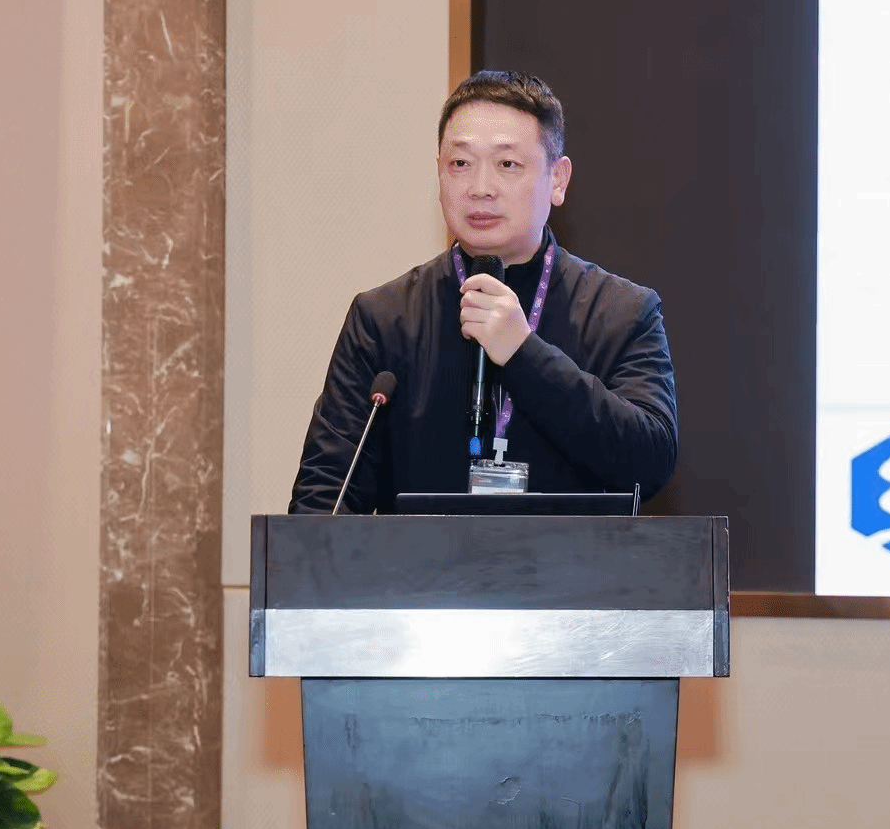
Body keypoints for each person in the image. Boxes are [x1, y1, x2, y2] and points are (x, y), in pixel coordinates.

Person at [289, 71, 678, 514]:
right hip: (421, 563)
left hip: (574, 562)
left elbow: (650, 463)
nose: (480, 188)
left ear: (558, 179)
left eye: (507, 164)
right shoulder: (383, 318)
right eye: (460, 164)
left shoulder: (622, 313)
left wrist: (524, 354)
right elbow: (324, 498)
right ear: (439, 171)